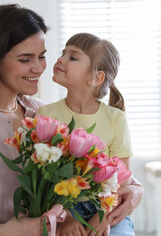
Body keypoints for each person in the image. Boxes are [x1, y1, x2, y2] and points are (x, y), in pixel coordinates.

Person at [0, 4, 144, 236]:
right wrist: (3, 231)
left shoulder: (39, 111)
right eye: (26, 59)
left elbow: (98, 166)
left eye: (42, 56)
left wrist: (137, 189)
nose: (39, 68)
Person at [36, 33, 139, 236]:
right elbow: (42, 177)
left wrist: (103, 218)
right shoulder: (46, 115)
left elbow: (122, 180)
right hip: (62, 208)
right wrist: (66, 217)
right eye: (63, 53)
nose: (61, 59)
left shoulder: (115, 119)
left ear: (95, 77)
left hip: (107, 208)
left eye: (73, 57)